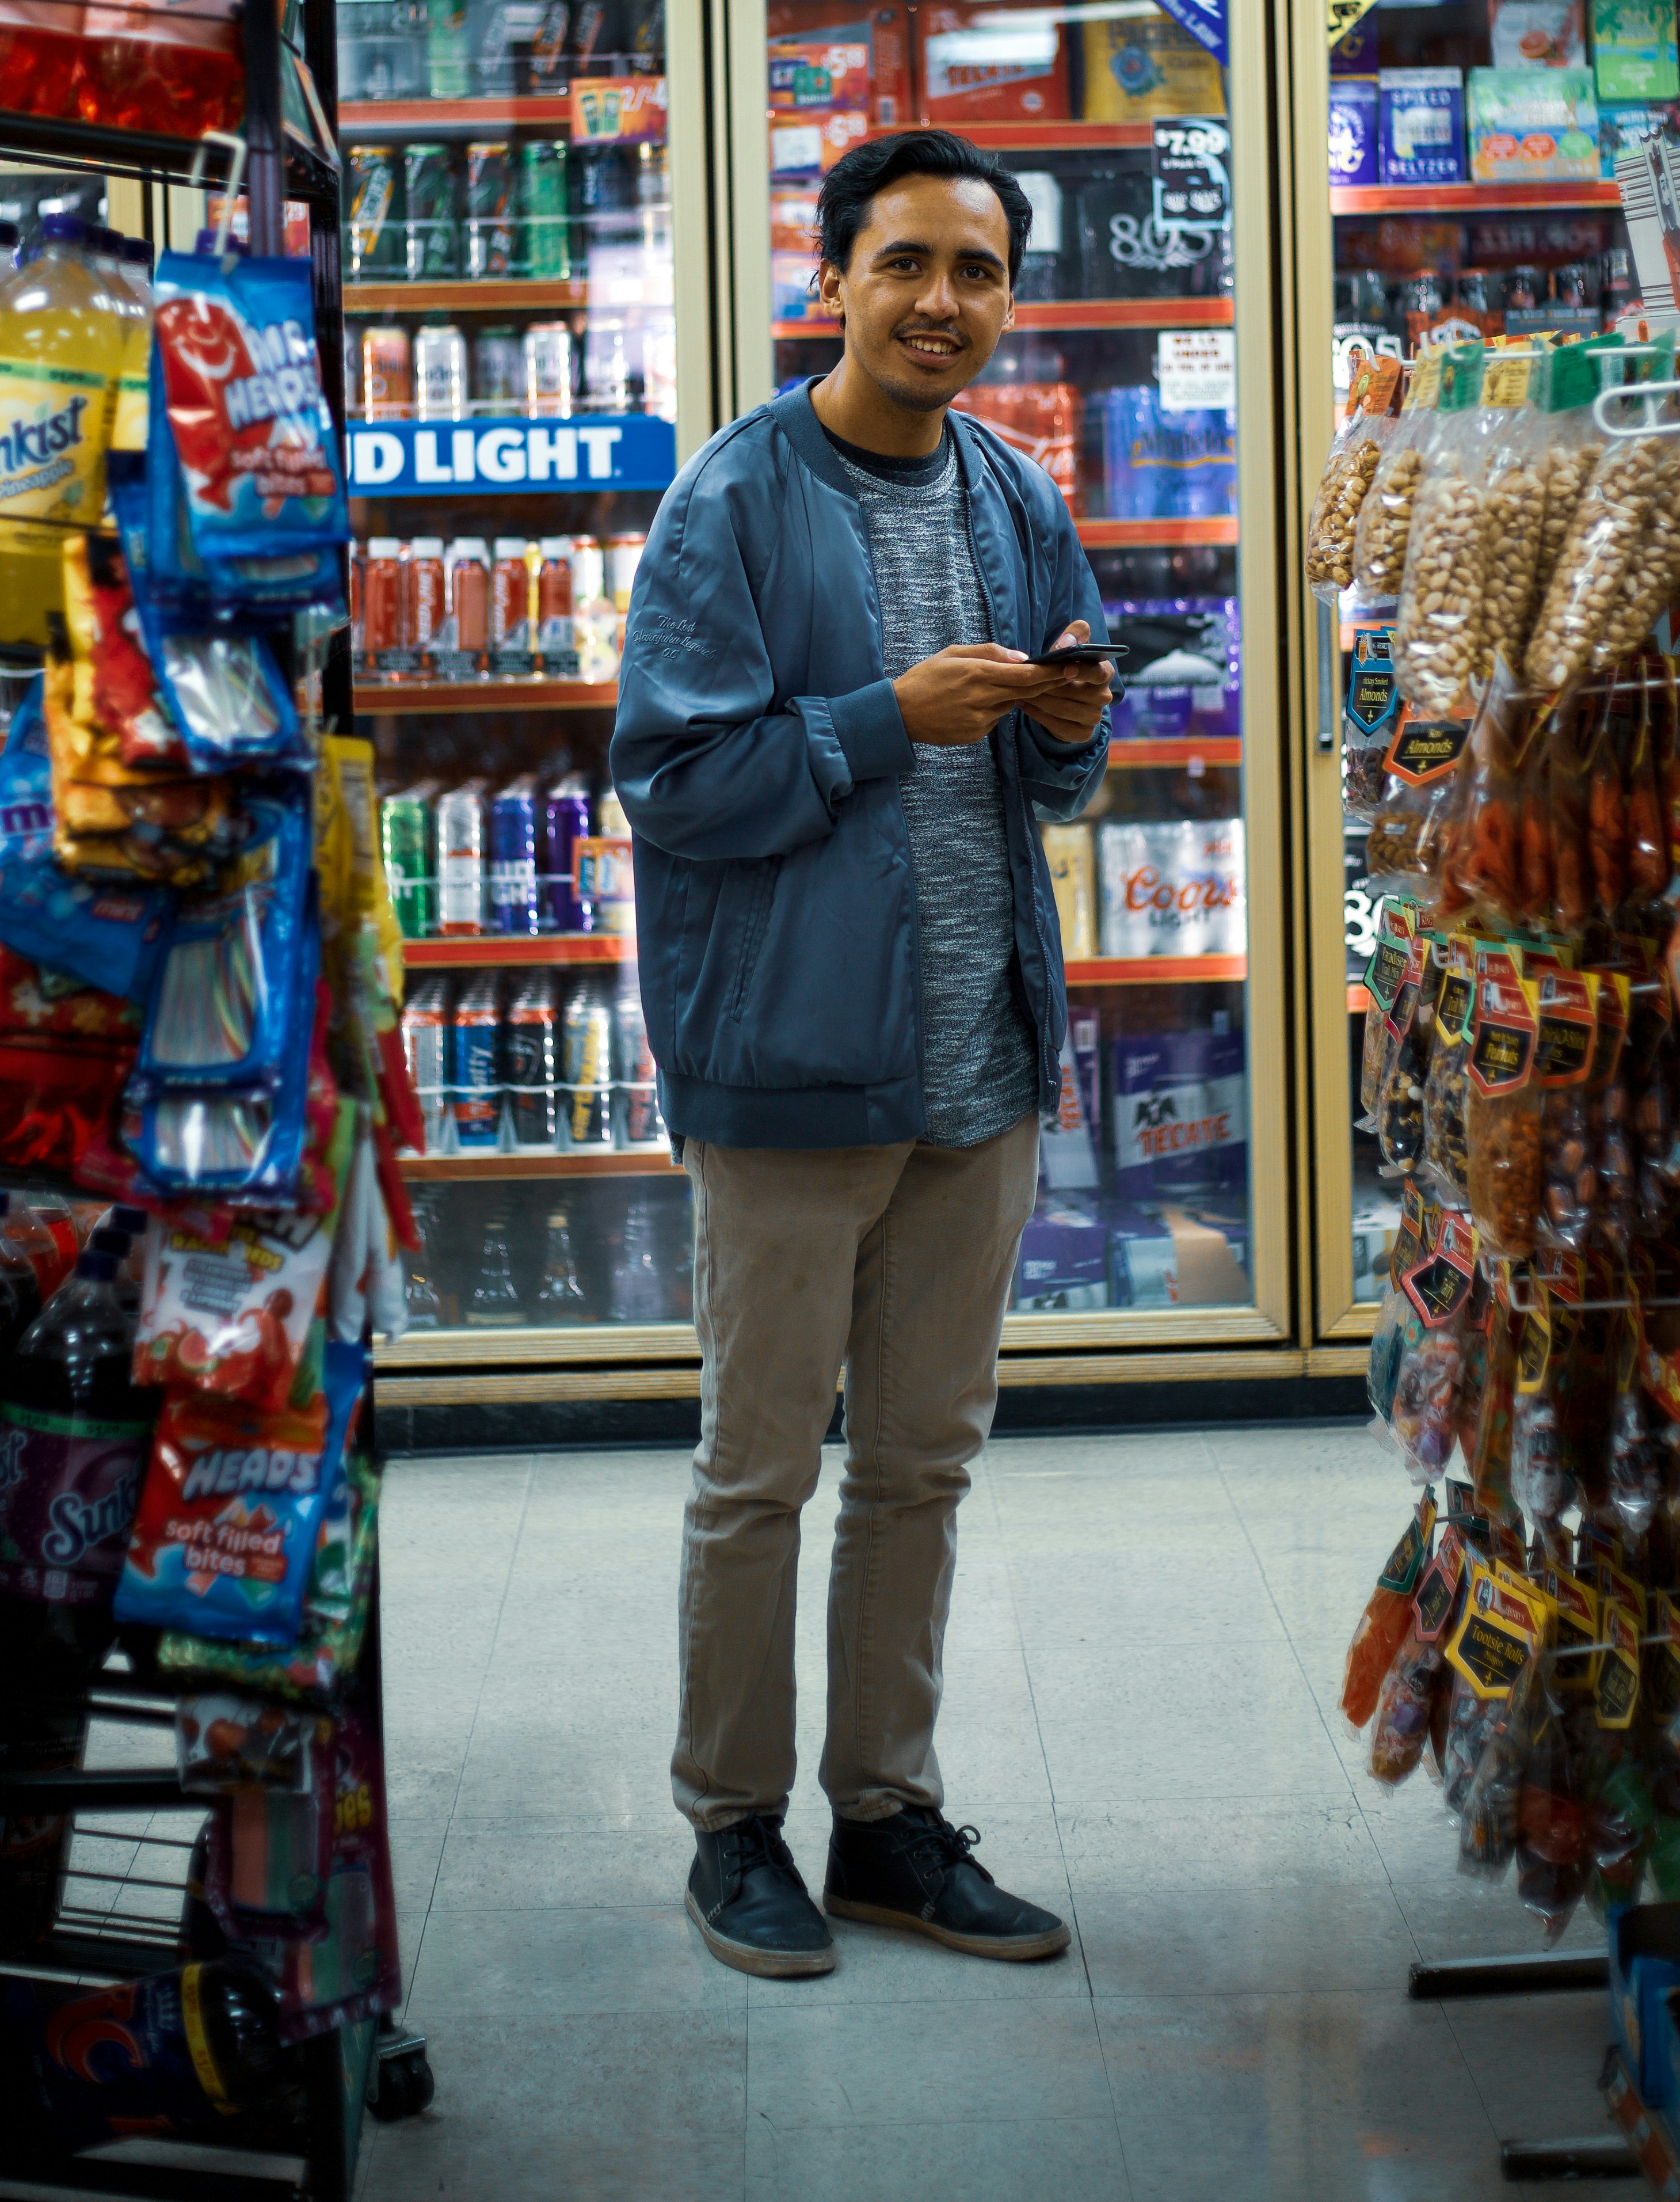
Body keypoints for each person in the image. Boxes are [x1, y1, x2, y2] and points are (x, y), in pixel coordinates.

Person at [611, 124, 1114, 1980]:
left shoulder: (1010, 492)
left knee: (922, 1465)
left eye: (977, 270)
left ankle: (887, 1817)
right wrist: (881, 721)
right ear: (835, 280)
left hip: (979, 1067)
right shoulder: (732, 504)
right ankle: (733, 1828)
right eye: (906, 263)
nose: (942, 302)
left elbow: (1062, 775)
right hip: (795, 1076)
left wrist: (1067, 719)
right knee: (759, 1470)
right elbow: (675, 787)